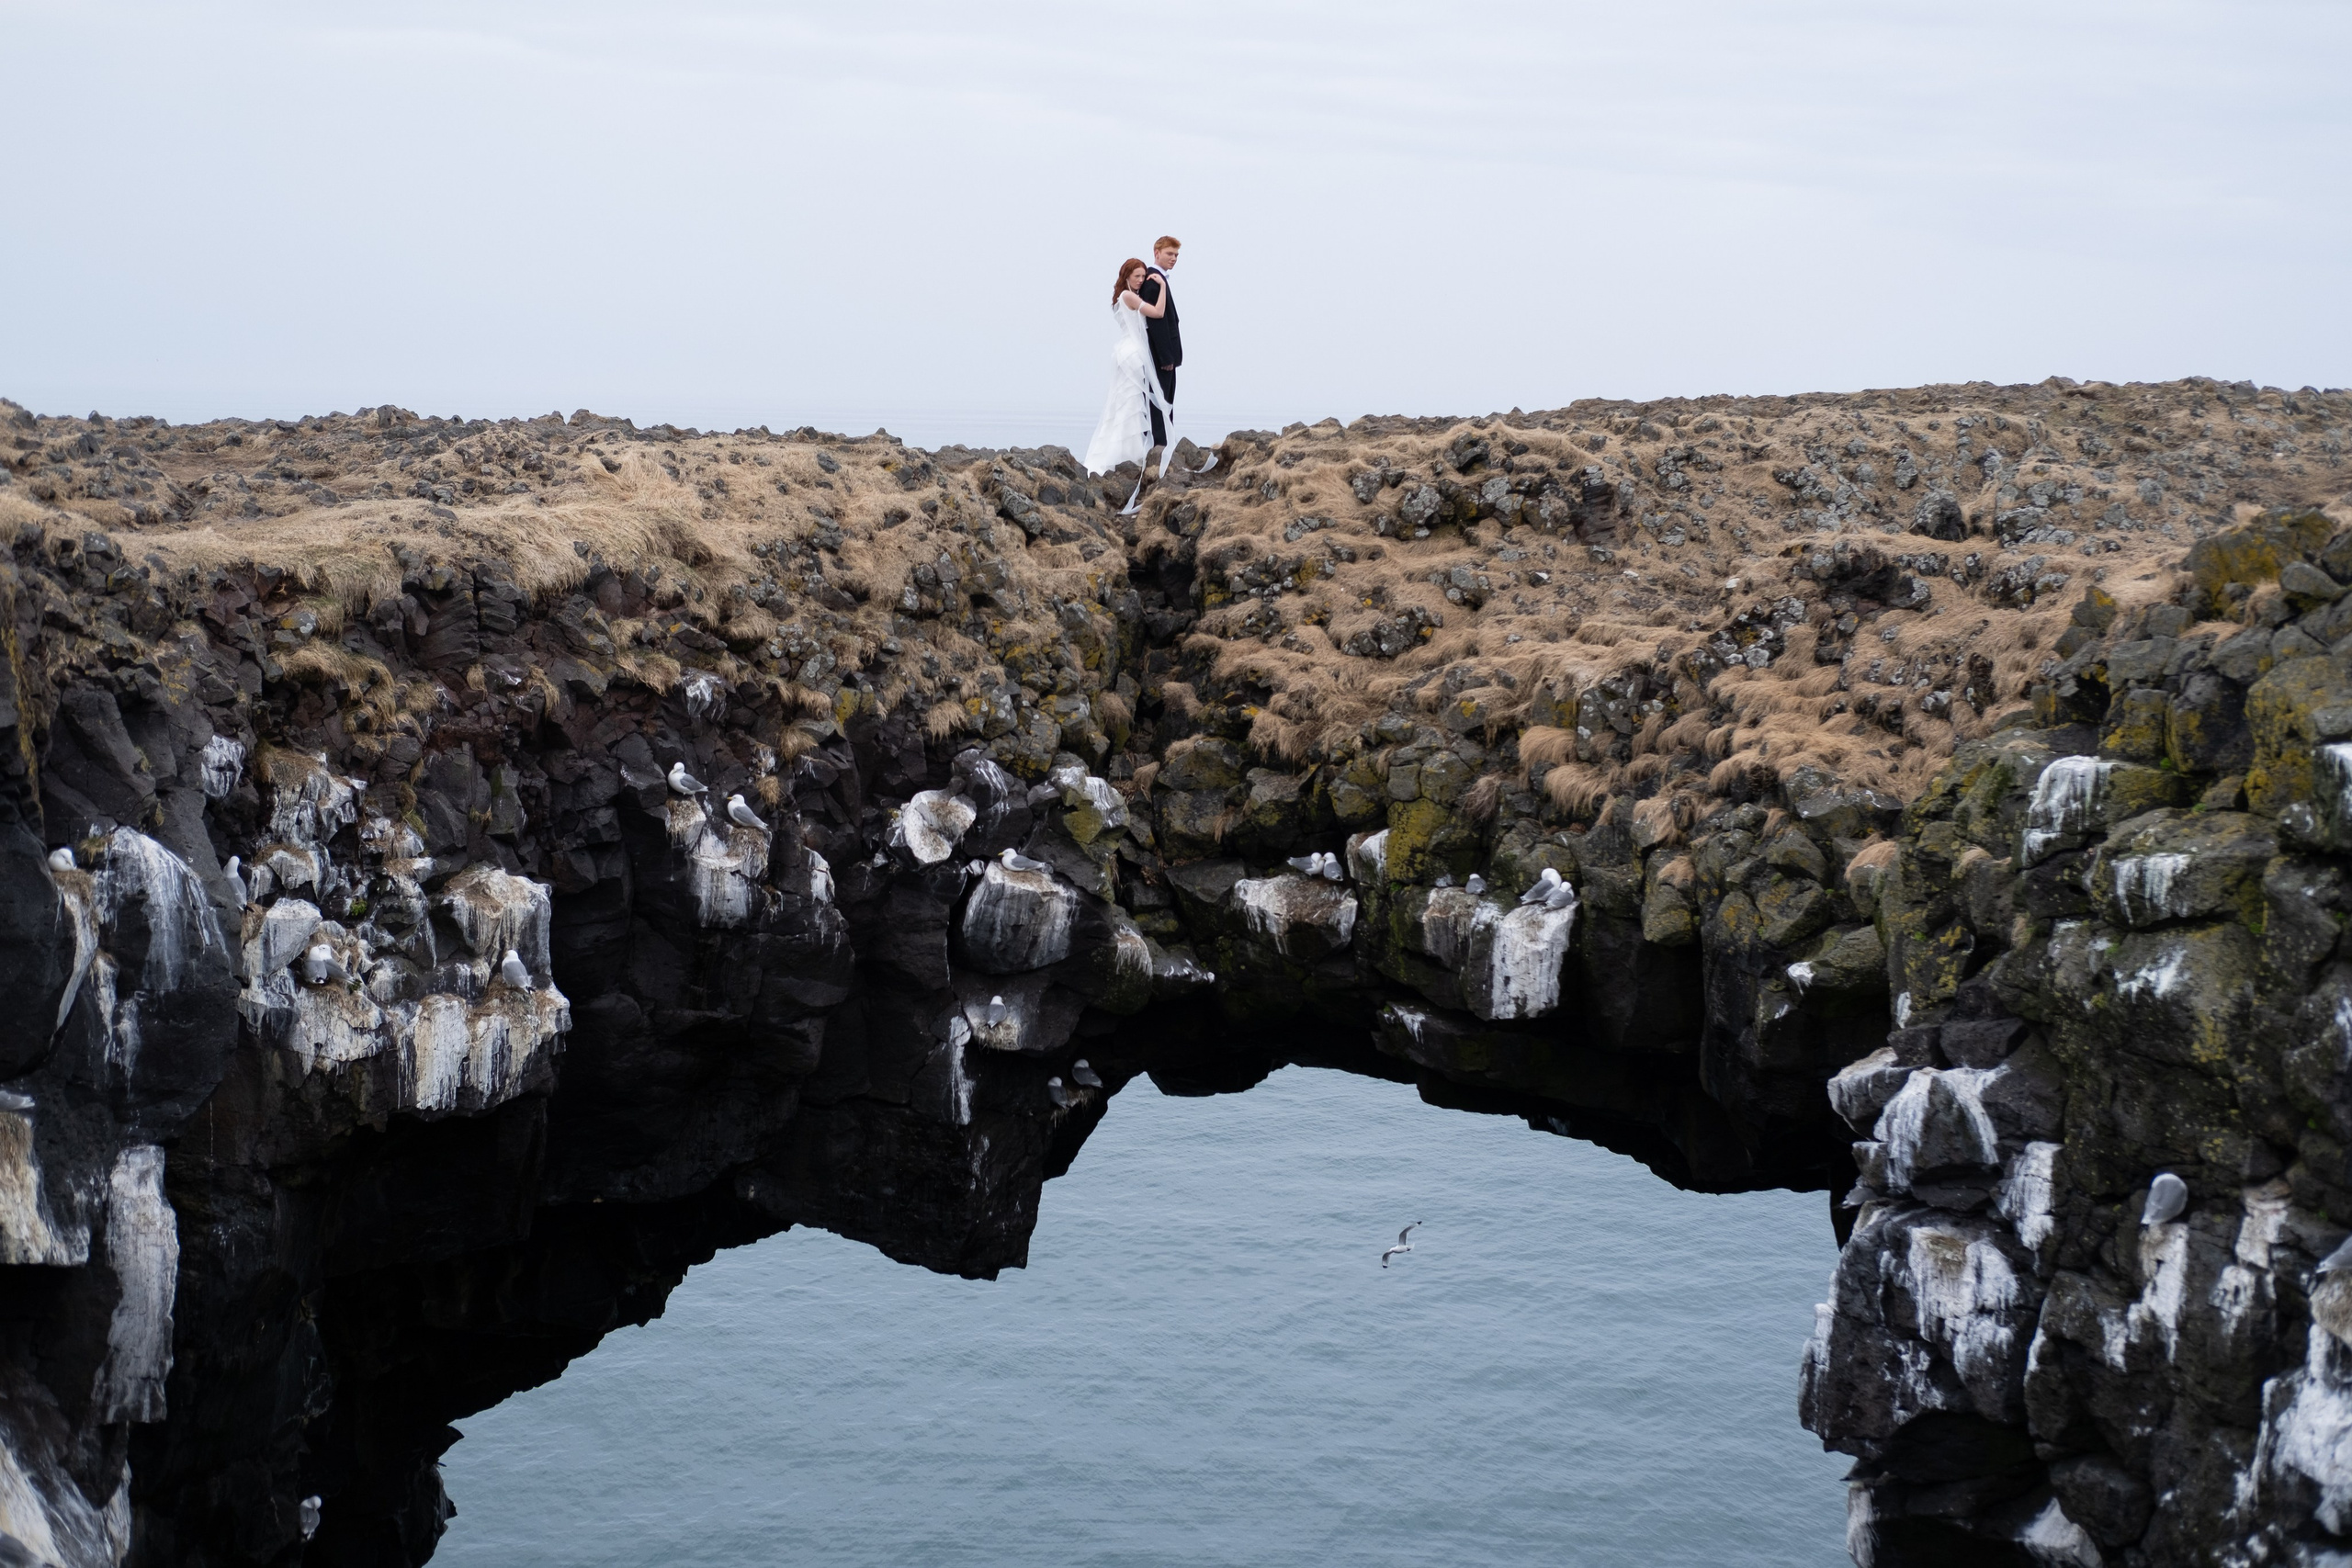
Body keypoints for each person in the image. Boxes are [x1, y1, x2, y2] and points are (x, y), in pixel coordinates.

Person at [1081, 257, 1172, 487]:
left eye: (1143, 276)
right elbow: (1158, 312)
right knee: (1130, 403)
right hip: (1133, 352)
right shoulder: (1128, 296)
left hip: (1125, 350)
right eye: (1137, 276)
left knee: (1125, 402)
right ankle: (1128, 455)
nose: (1141, 280)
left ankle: (1128, 454)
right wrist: (1162, 286)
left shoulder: (1121, 297)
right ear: (1126, 277)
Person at [1136, 236, 1182, 455]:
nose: (1174, 259)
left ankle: (1164, 446)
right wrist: (1166, 358)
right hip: (1161, 356)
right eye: (1169, 254)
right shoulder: (1153, 283)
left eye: (1176, 255)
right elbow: (1157, 324)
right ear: (1157, 253)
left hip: (1166, 355)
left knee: (1166, 400)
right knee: (1159, 401)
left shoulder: (1159, 280)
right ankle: (1159, 448)